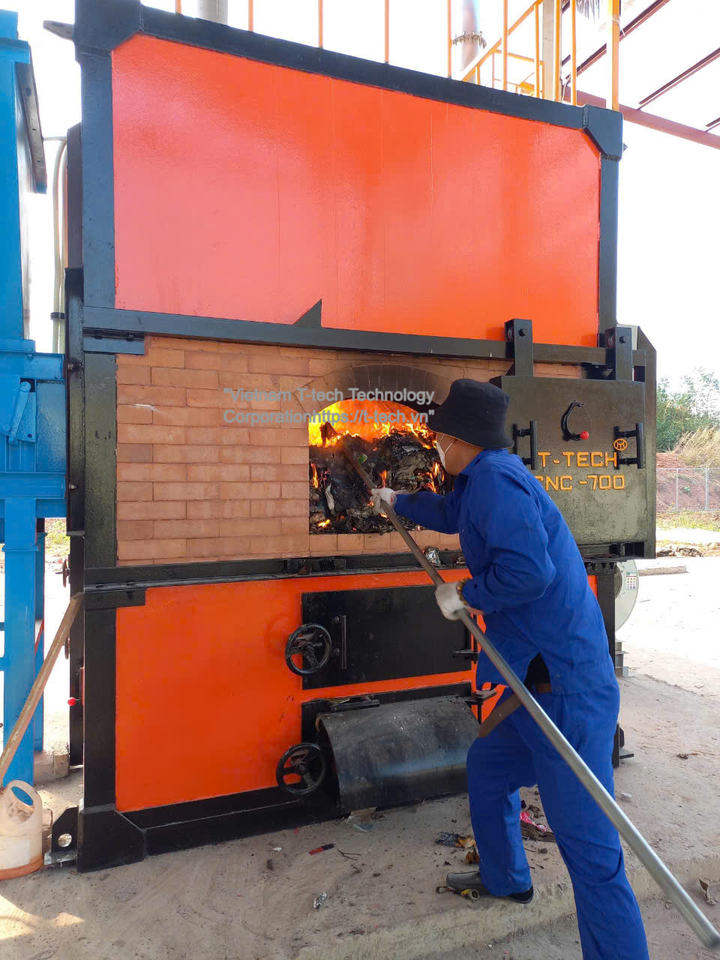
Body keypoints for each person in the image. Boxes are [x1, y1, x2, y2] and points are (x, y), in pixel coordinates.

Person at [371, 378, 649, 960]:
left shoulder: (499, 482)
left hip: (567, 688)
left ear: (460, 439)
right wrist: (399, 502)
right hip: (531, 681)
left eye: (441, 437)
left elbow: (531, 574)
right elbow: (451, 512)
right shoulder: (479, 479)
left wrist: (466, 594)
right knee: (488, 768)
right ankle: (506, 879)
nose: (436, 443)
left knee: (590, 850)